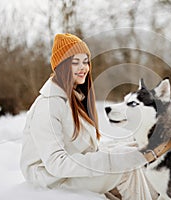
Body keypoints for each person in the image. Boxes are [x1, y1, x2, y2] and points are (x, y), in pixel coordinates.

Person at [20, 33, 159, 199]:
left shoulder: (75, 99)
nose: (83, 67)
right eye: (75, 62)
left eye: (85, 61)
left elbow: (87, 149)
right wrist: (112, 160)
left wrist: (132, 146)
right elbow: (56, 163)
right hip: (50, 178)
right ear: (61, 66)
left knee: (139, 163)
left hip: (69, 172)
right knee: (126, 170)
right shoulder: (48, 106)